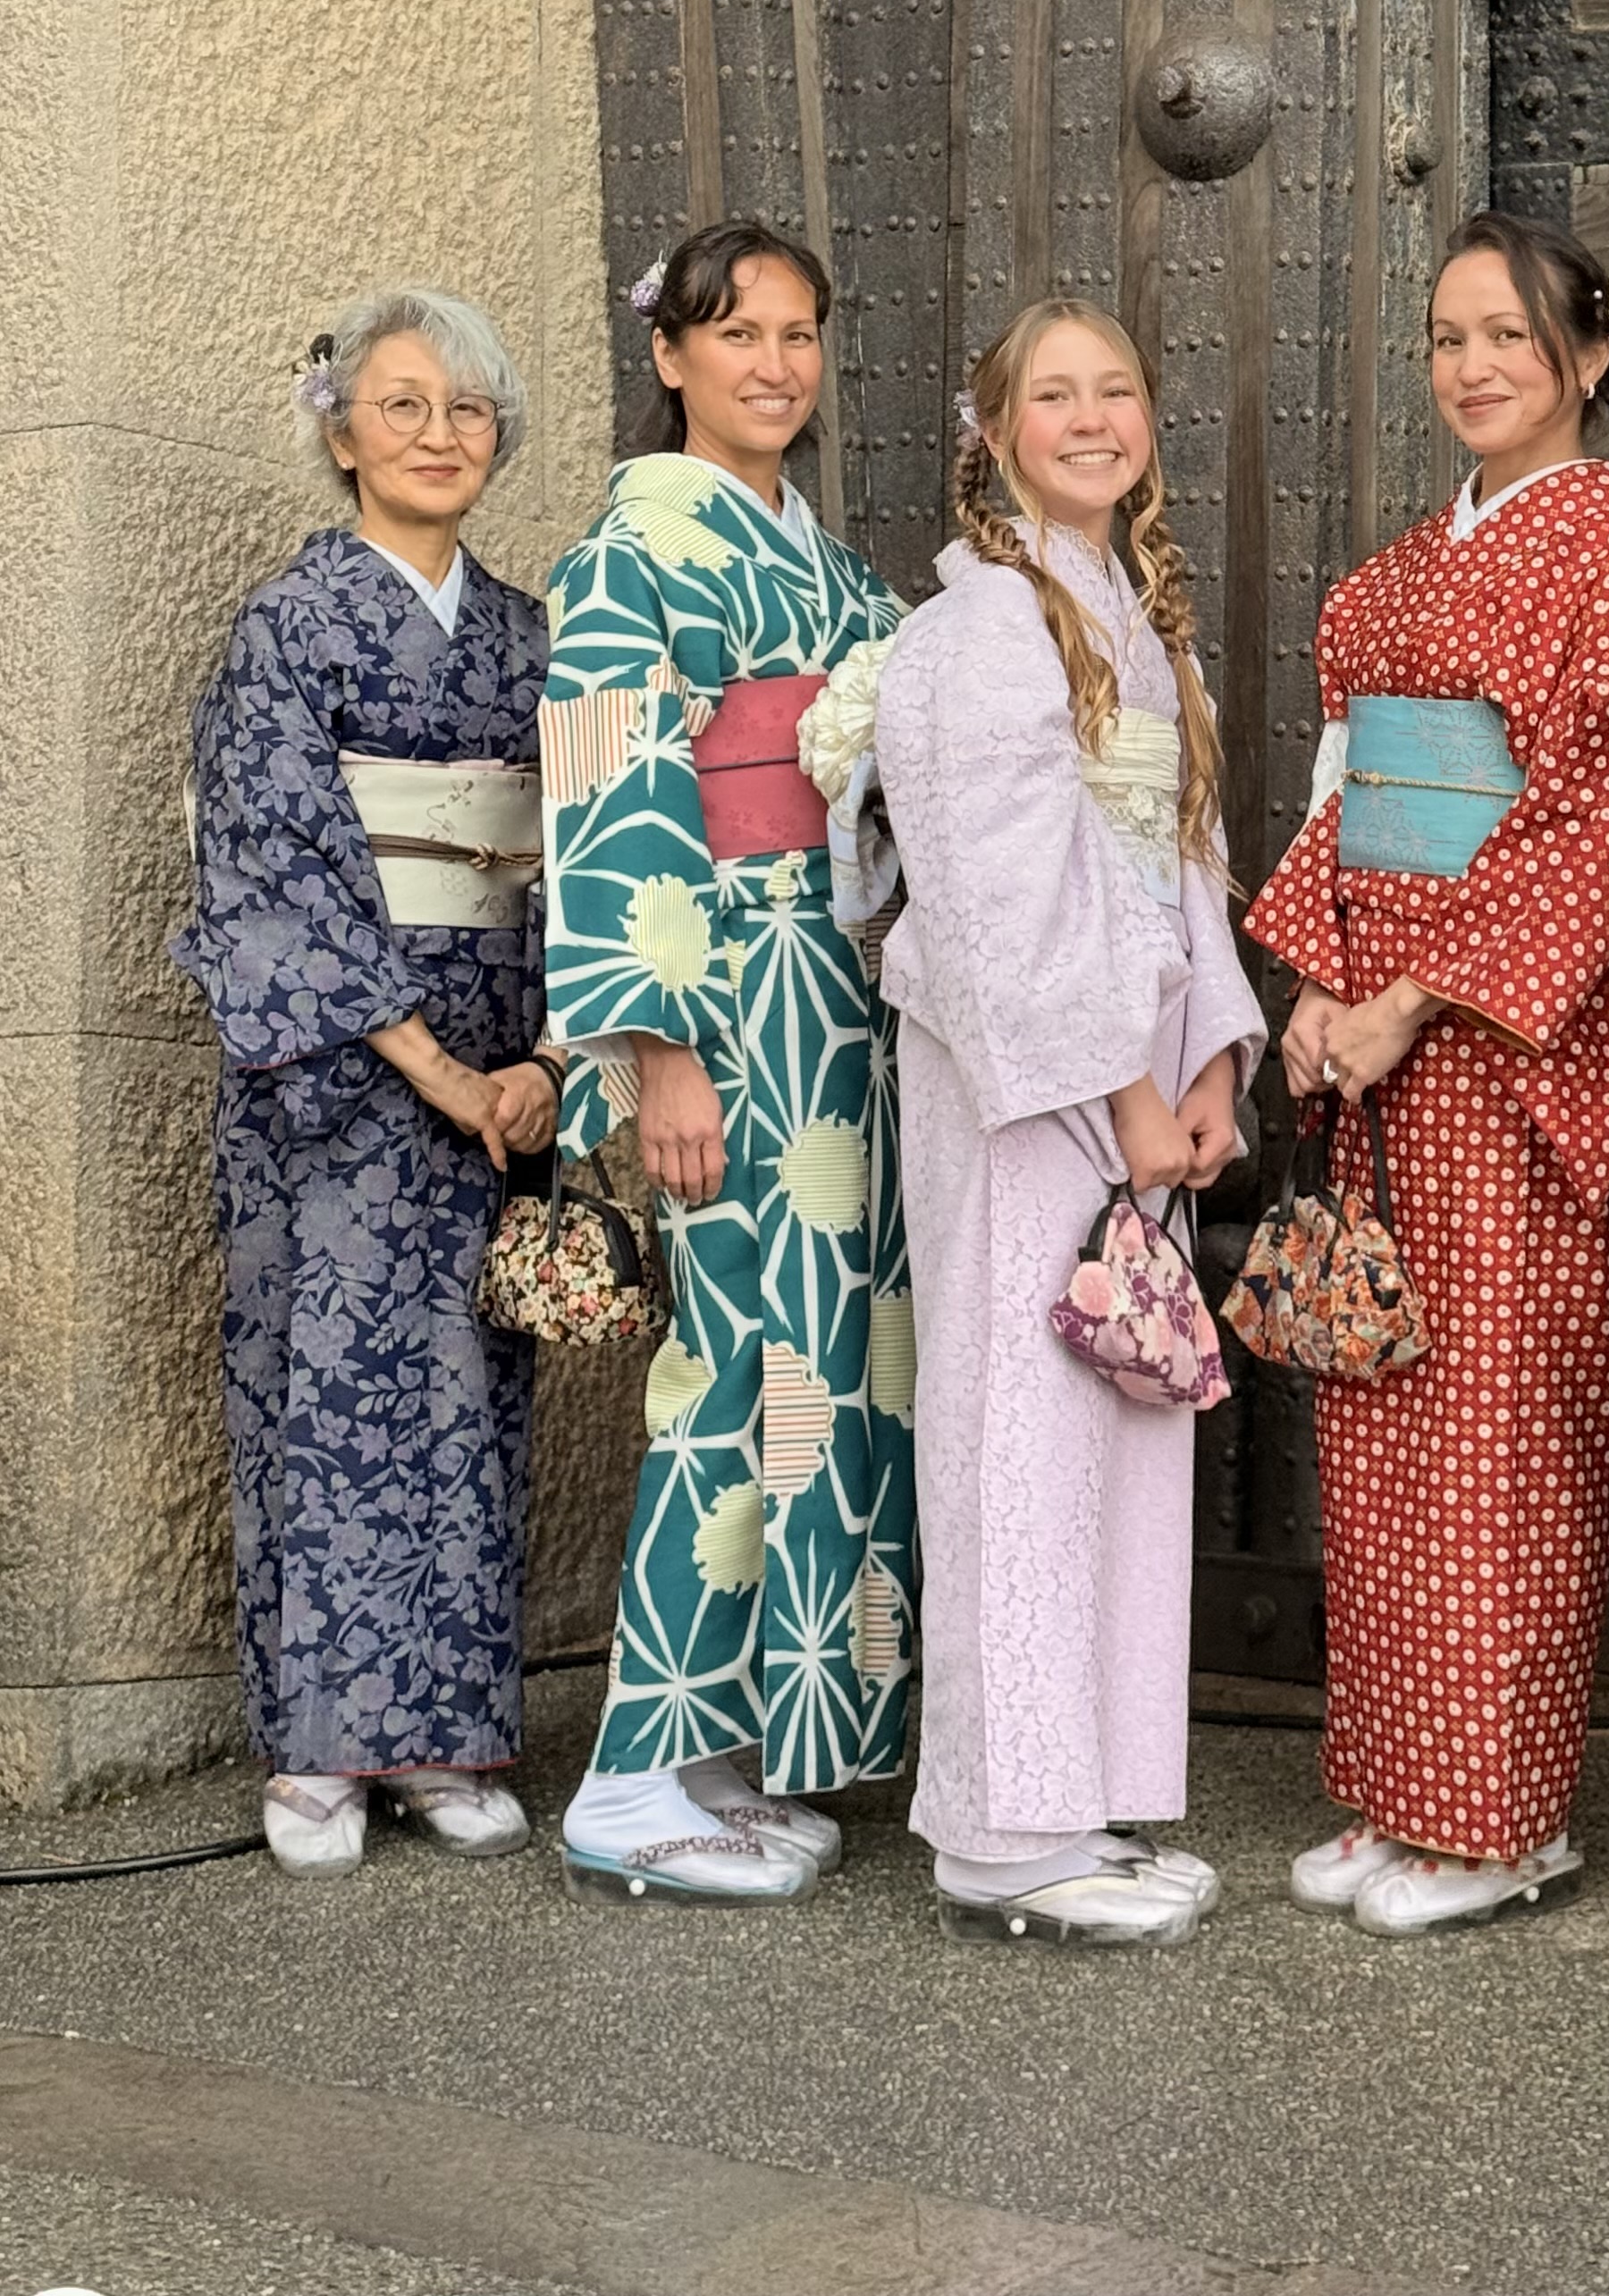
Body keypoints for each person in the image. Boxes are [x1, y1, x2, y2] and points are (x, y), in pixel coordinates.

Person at [1248, 212, 1609, 1932]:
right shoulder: (1390, 577)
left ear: (1590, 356)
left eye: (1510, 335)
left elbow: (1602, 824)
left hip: (1505, 1048)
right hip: (1374, 1041)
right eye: (1448, 337)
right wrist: (1319, 978)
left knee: (1498, 1426)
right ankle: (1397, 1792)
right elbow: (1347, 795)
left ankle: (1504, 1821)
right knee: (1377, 1411)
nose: (1475, 366)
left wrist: (1416, 994)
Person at [872, 304, 1262, 1944]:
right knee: (1017, 1424)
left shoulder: (1137, 621)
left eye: (1118, 389)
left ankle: (1080, 1795)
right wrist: (1124, 1088)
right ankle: (1000, 1831)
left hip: (1141, 1066)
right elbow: (998, 892)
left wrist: (1214, 1062)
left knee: (1118, 1418)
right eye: (1054, 395)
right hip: (1029, 1079)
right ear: (997, 434)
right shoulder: (974, 629)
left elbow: (1189, 856)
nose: (1094, 418)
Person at [540, 222, 914, 1900]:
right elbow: (611, 797)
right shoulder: (627, 555)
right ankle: (633, 1771)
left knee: (824, 1368)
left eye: (799, 333)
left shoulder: (838, 577)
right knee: (730, 1363)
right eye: (737, 331)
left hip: (835, 998)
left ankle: (723, 1751)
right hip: (726, 1000)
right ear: (669, 355)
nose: (774, 363)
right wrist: (658, 1049)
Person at [177, 291, 557, 1879]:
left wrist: (546, 1058)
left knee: (470, 1399)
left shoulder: (536, 636)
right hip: (339, 1081)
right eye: (403, 407)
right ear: (341, 434)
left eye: (468, 411)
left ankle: (448, 1739)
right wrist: (436, 1068)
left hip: (507, 1066)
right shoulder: (290, 626)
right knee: (328, 1391)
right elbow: (273, 870)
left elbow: (587, 852)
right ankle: (321, 1750)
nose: (438, 436)